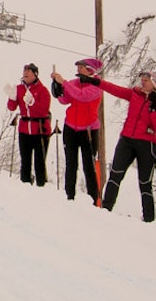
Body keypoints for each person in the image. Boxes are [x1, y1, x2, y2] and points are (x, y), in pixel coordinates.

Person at [99, 70, 156, 222]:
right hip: (127, 139)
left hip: (147, 144)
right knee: (115, 174)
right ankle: (105, 208)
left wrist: (153, 108)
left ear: (155, 84)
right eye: (142, 79)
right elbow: (116, 90)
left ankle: (149, 219)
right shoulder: (135, 94)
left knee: (145, 183)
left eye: (146, 80)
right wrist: (97, 82)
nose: (142, 82)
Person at [50, 58, 103, 203]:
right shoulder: (75, 83)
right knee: (71, 164)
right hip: (71, 128)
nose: (78, 70)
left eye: (81, 67)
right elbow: (64, 99)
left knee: (89, 166)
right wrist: (58, 87)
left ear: (90, 70)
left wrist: (64, 83)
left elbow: (83, 96)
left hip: (88, 131)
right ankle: (69, 197)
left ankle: (94, 200)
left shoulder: (97, 85)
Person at [6, 63, 52, 186]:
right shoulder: (19, 89)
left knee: (40, 163)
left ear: (35, 74)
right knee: (25, 161)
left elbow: (44, 110)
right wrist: (11, 97)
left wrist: (32, 102)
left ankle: (41, 186)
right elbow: (11, 107)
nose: (25, 73)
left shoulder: (43, 90)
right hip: (24, 129)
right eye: (24, 71)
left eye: (29, 71)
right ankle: (25, 185)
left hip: (40, 130)